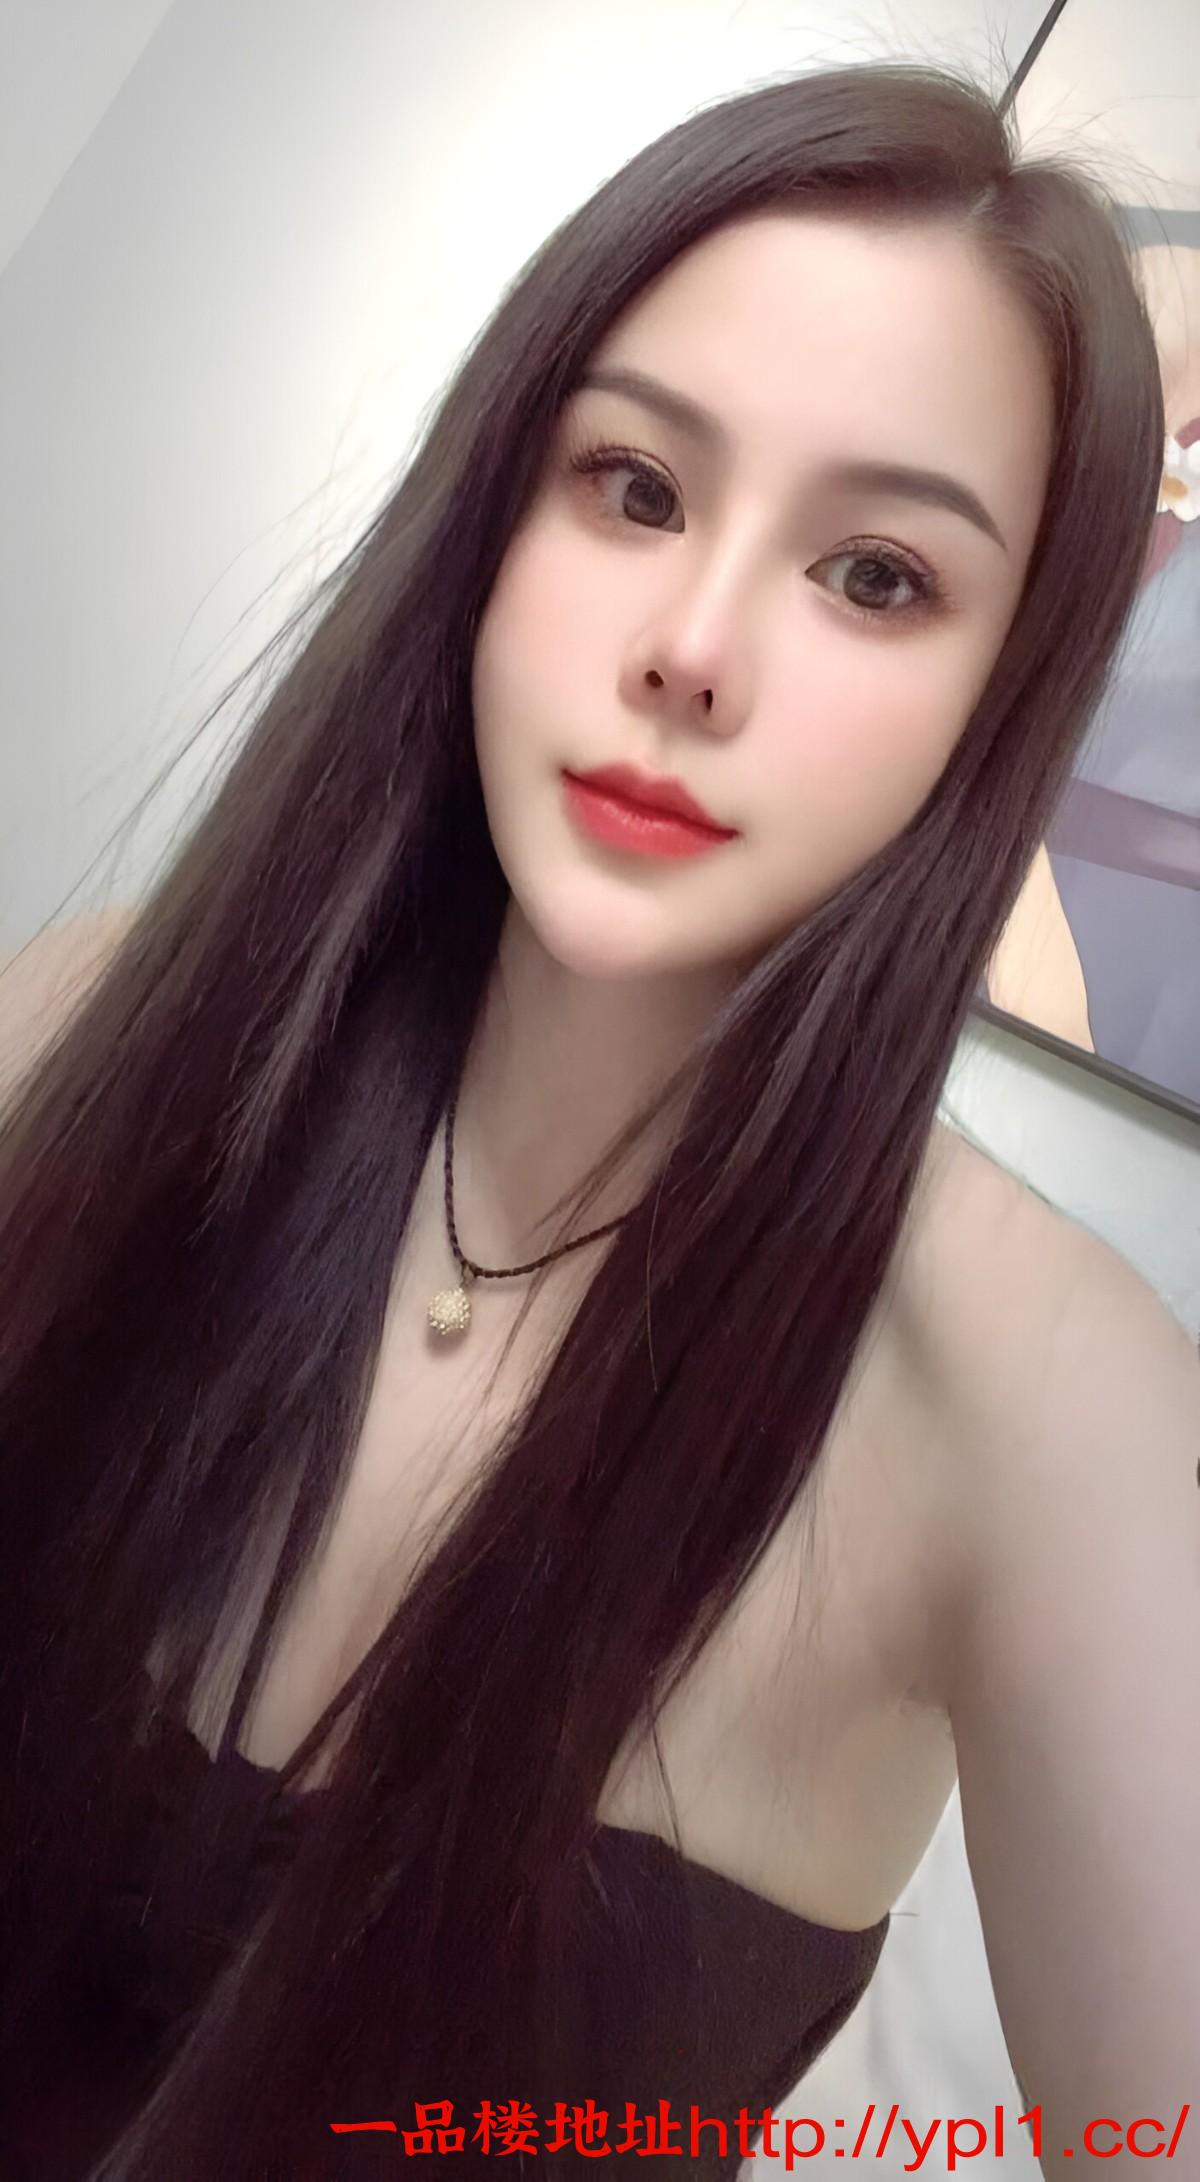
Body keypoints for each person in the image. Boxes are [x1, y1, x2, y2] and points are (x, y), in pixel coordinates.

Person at [0, 57, 1196, 2182]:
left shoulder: (1042, 1399)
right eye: (634, 487)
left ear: (1002, 695)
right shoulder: (103, 1024)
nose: (693, 648)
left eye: (877, 577)